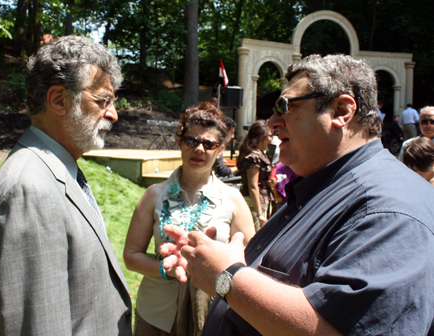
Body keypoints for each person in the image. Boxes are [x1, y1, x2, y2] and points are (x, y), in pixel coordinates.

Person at [160, 54, 434, 335]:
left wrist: (227, 277)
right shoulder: (324, 185)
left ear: (341, 111)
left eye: (284, 106)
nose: (272, 122)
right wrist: (210, 258)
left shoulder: (390, 210)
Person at [0, 36, 133, 335]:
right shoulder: (28, 189)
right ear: (58, 100)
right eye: (102, 101)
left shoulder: (56, 169)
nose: (113, 114)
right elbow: (37, 326)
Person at [123, 101, 255, 336]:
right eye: (191, 141)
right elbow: (131, 257)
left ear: (220, 149)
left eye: (209, 143)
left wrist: (215, 267)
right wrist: (168, 270)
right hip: (156, 315)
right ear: (180, 142)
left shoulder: (233, 199)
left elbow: (252, 262)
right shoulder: (154, 194)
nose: (199, 149)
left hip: (214, 315)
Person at [236, 120, 274, 231]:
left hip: (261, 199)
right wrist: (259, 213)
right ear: (263, 137)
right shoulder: (254, 157)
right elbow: (253, 186)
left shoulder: (260, 153)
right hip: (255, 202)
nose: (272, 139)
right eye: (270, 136)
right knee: (256, 236)